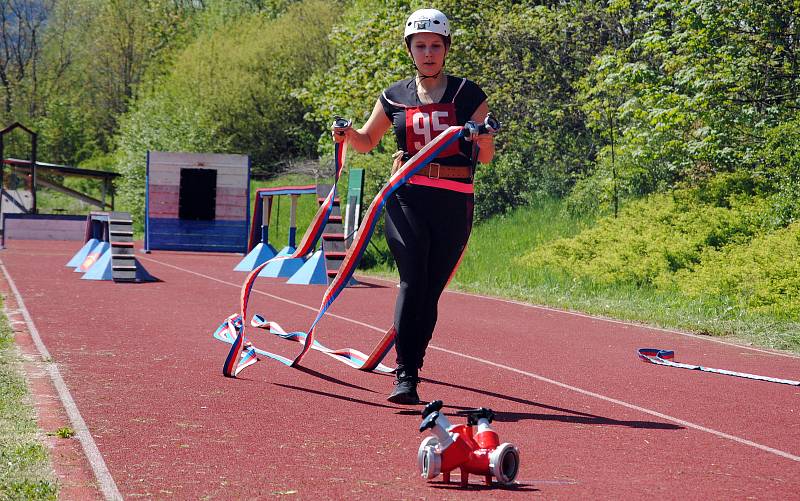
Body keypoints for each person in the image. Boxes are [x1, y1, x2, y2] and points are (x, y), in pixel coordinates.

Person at [331, 8, 495, 404]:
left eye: (435, 46)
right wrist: (345, 134)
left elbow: (486, 157)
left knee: (430, 292)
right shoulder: (393, 96)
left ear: (446, 48)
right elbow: (368, 141)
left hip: (454, 201)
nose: (428, 53)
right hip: (406, 196)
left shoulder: (468, 95)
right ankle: (405, 377)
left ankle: (414, 362)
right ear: (409, 49)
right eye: (420, 45)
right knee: (411, 280)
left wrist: (484, 135)